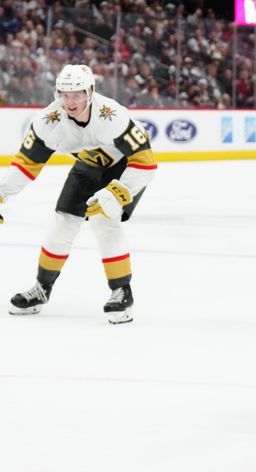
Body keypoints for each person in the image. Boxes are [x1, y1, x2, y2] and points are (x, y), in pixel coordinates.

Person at [0, 64, 156, 324]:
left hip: (127, 167)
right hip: (90, 164)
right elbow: (25, 166)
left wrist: (117, 192)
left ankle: (121, 290)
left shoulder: (112, 116)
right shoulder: (48, 122)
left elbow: (145, 164)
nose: (70, 101)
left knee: (104, 219)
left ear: (90, 93)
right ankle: (42, 288)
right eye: (65, 94)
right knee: (63, 220)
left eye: (77, 94)